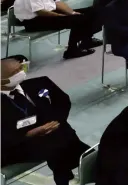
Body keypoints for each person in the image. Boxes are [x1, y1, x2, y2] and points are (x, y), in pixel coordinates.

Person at [1, 56, 89, 185]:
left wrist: (57, 121)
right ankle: (85, 162)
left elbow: (62, 101)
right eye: (14, 73)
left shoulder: (40, 83)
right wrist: (28, 134)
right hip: (15, 146)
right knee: (57, 142)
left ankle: (67, 174)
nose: (20, 72)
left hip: (50, 135)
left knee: (60, 133)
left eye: (21, 68)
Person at [12, 0, 102, 59]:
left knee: (92, 12)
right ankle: (72, 50)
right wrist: (62, 16)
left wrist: (72, 12)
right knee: (78, 20)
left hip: (49, 14)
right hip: (34, 21)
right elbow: (41, 12)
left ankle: (87, 40)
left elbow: (58, 3)